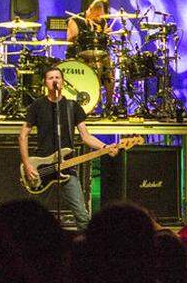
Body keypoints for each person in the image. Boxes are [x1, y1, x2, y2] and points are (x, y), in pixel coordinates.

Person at [19, 65, 117, 230]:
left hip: (67, 167)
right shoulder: (37, 106)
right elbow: (23, 135)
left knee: (82, 216)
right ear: (45, 83)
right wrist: (27, 164)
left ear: (63, 82)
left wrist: (105, 146)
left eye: (57, 77)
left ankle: (85, 251)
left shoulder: (73, 106)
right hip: (40, 170)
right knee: (30, 219)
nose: (54, 80)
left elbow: (86, 136)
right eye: (50, 78)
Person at [66, 0, 117, 115]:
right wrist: (82, 33)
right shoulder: (76, 19)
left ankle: (109, 105)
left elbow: (103, 41)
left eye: (101, 16)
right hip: (79, 56)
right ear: (91, 10)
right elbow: (69, 40)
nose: (99, 18)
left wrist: (104, 33)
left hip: (99, 55)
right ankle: (92, 104)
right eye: (98, 15)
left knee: (109, 70)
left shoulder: (101, 22)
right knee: (97, 66)